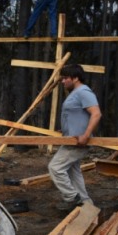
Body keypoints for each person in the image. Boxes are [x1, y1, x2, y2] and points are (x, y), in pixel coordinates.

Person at [48, 64, 102, 211]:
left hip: (77, 142)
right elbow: (76, 116)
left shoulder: (84, 92)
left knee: (55, 168)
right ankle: (86, 205)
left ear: (76, 78)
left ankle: (73, 198)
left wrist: (85, 135)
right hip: (71, 139)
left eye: (65, 78)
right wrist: (66, 128)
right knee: (73, 173)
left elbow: (96, 113)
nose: (62, 81)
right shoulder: (75, 93)